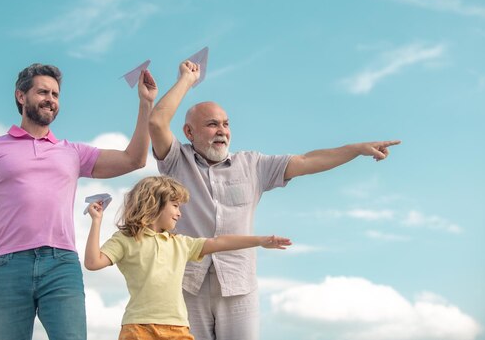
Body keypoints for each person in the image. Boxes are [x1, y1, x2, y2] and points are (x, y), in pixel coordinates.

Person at [148, 60, 401, 340]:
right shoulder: (175, 161)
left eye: (226, 124)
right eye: (211, 124)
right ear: (189, 132)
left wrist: (356, 149)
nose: (222, 130)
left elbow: (307, 160)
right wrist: (186, 80)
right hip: (186, 283)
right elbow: (157, 122)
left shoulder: (253, 165)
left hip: (239, 284)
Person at [0, 63, 158, 340]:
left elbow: (134, 159)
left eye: (55, 94)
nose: (51, 99)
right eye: (43, 92)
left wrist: (146, 104)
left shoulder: (73, 152)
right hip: (8, 266)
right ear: (21, 96)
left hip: (61, 265)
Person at [84, 175, 291, 340]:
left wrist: (260, 240)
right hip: (139, 328)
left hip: (178, 328)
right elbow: (93, 262)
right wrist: (96, 221)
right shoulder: (125, 239)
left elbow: (219, 242)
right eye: (175, 205)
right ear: (154, 203)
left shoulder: (181, 244)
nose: (179, 213)